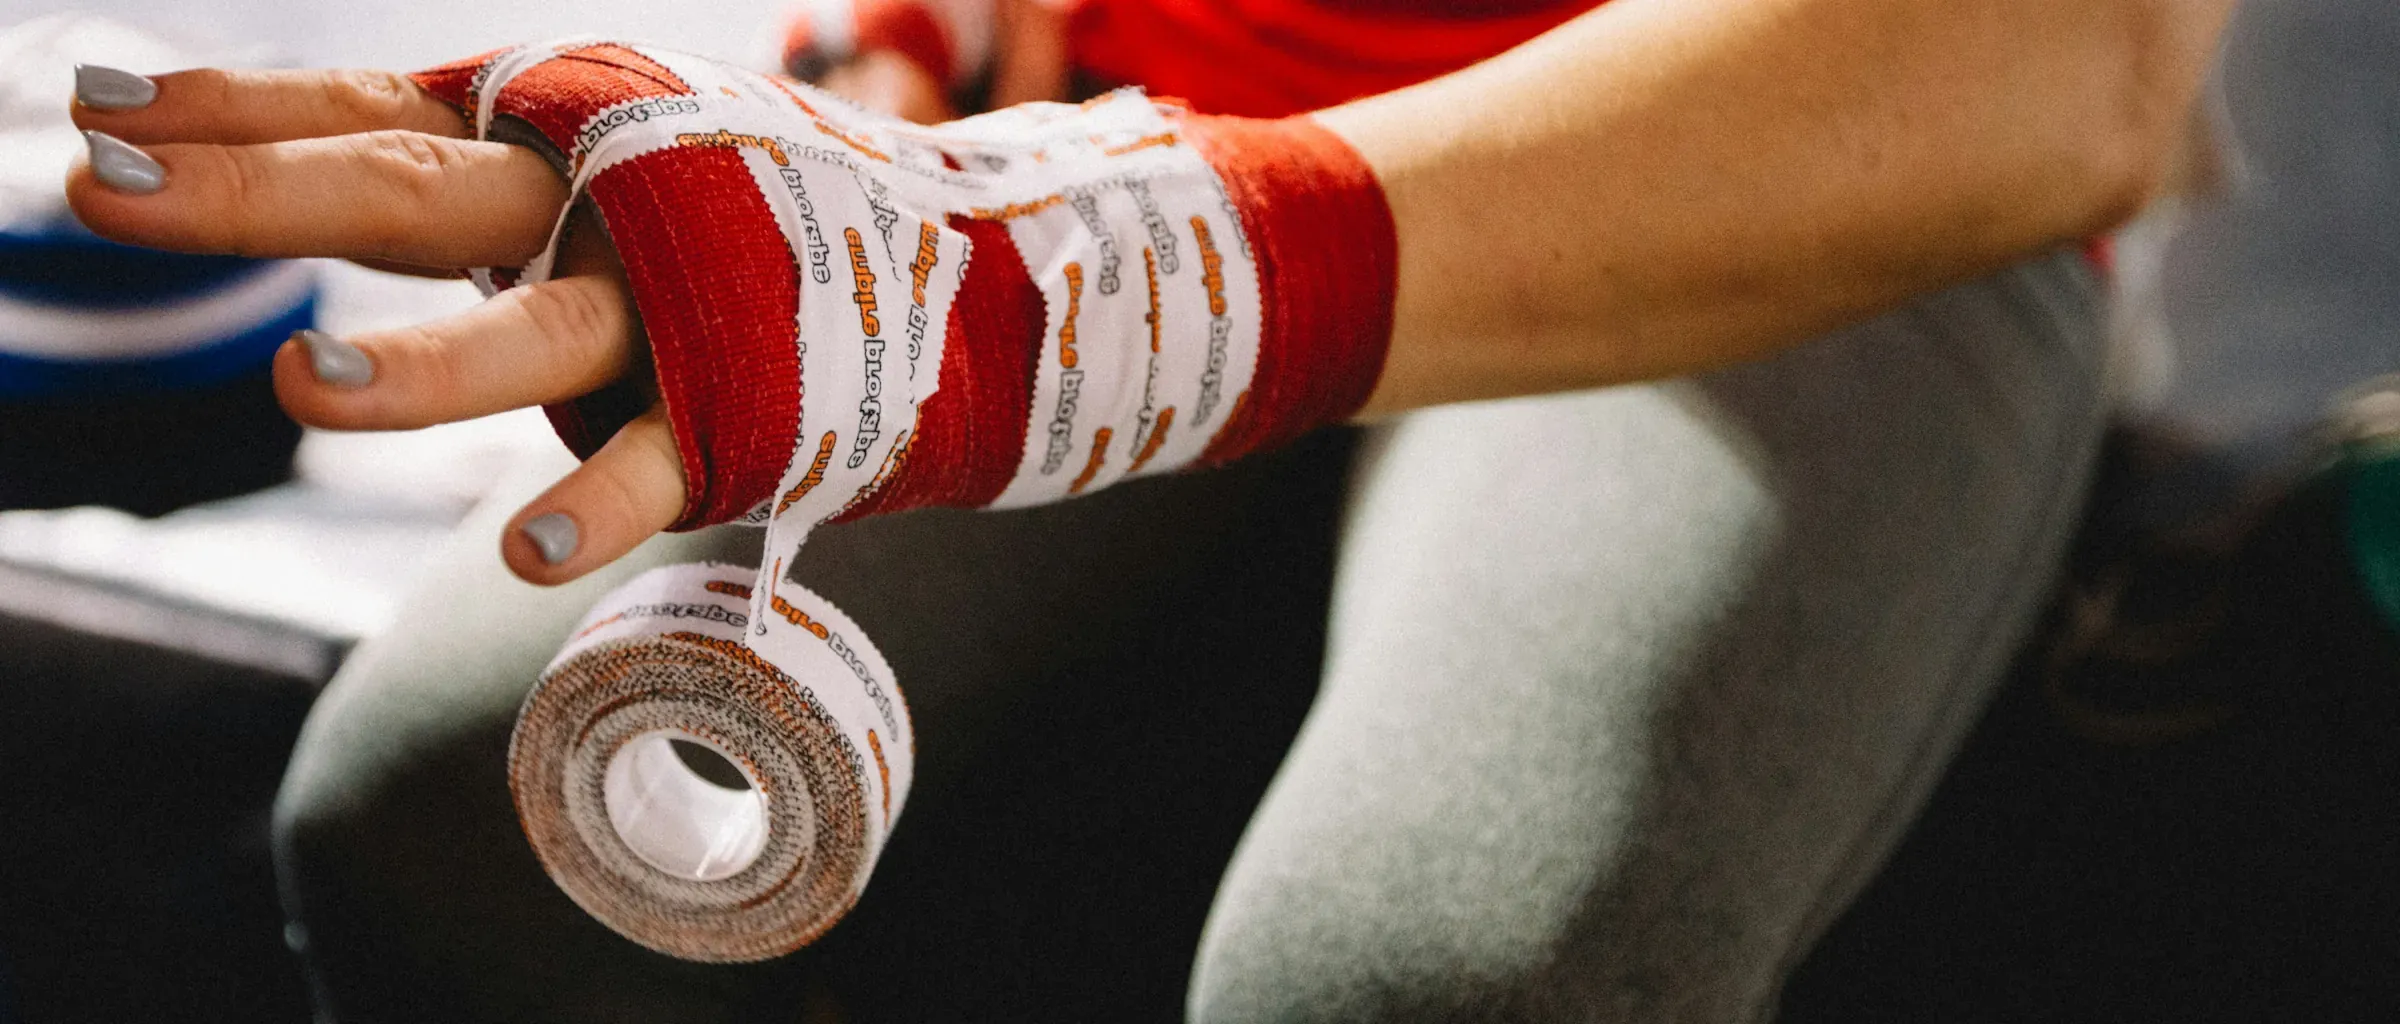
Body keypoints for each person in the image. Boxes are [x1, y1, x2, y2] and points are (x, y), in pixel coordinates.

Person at [62, 0, 2232, 1018]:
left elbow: (2074, 53)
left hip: (1770, 178)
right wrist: (895, 60)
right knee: (454, 802)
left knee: (1426, 982)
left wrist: (1048, 288)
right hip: (1132, 122)